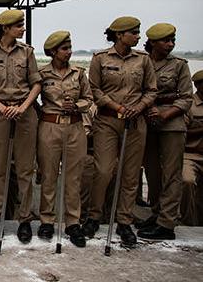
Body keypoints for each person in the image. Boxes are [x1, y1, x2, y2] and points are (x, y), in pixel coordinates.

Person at [82, 16, 157, 247]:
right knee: (103, 171)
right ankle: (94, 216)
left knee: (130, 174)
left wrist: (140, 107)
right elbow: (94, 89)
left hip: (135, 122)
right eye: (133, 33)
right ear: (119, 35)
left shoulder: (143, 60)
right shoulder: (100, 59)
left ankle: (124, 221)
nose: (138, 36)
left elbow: (151, 90)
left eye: (138, 32)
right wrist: (118, 107)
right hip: (108, 121)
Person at [0, 9, 41, 243]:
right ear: (6, 28)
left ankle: (24, 220)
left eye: (22, 25)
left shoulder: (27, 52)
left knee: (25, 170)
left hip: (24, 113)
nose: (22, 29)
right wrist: (1, 107)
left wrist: (24, 107)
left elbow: (36, 84)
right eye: (18, 25)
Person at [36, 31, 92, 248]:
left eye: (69, 48)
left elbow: (88, 98)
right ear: (53, 51)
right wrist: (42, 113)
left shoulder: (79, 74)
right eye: (64, 48)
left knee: (73, 178)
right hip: (49, 127)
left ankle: (72, 223)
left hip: (75, 128)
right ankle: (47, 220)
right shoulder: (42, 74)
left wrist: (77, 106)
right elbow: (32, 97)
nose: (69, 52)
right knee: (48, 175)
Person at [136, 23, 192, 240]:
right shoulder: (141, 62)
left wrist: (164, 115)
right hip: (146, 122)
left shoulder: (179, 65)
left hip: (171, 124)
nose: (170, 44)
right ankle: (158, 213)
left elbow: (186, 97)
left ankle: (167, 223)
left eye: (172, 41)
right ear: (152, 43)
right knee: (152, 172)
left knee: (171, 174)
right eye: (165, 41)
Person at [180, 69, 203, 226]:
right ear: (197, 85)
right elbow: (181, 133)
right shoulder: (189, 105)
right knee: (187, 181)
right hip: (190, 154)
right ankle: (189, 222)